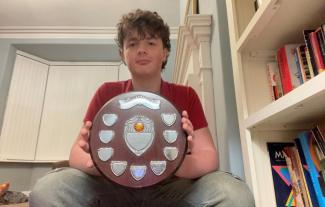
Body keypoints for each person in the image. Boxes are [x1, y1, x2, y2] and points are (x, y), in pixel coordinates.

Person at [29, 9, 254, 207]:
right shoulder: (106, 93)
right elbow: (76, 153)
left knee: (235, 195)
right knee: (48, 189)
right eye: (133, 44)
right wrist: (97, 164)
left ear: (165, 52)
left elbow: (209, 156)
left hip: (171, 190)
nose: (142, 50)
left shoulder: (186, 95)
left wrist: (179, 163)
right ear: (122, 54)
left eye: (151, 43)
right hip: (112, 186)